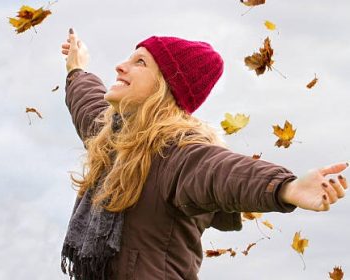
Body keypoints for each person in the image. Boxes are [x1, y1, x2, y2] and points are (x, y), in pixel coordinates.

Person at [59, 28, 348, 280]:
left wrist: (285, 187)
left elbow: (221, 173)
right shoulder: (113, 141)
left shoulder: (177, 154)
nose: (121, 66)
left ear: (165, 88)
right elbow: (88, 103)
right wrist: (76, 68)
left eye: (140, 62)